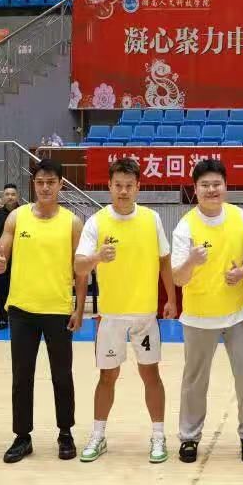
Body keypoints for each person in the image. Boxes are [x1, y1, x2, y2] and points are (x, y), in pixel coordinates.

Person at [73, 157, 177, 464]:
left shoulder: (151, 219)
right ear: (109, 186)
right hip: (111, 317)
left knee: (151, 374)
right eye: (117, 185)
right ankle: (98, 435)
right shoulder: (96, 222)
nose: (123, 191)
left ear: (138, 187)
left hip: (145, 315)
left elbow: (164, 261)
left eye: (129, 186)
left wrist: (171, 299)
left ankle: (158, 436)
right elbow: (79, 266)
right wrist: (96, 257)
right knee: (107, 376)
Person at [171, 159, 243, 465]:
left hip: (238, 313)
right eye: (205, 185)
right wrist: (191, 261)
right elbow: (178, 278)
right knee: (195, 382)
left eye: (216, 184)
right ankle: (189, 437)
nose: (211, 190)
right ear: (195, 189)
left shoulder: (240, 217)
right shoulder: (185, 226)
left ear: (225, 186)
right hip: (198, 316)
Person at [0, 159, 85, 463]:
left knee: (62, 375)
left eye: (51, 182)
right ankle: (22, 437)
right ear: (34, 184)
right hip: (22, 310)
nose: (45, 187)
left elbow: (81, 270)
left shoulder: (72, 222)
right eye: (40, 182)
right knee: (22, 376)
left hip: (58, 310)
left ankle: (65, 433)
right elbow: (0, 255)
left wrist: (79, 308)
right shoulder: (17, 217)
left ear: (60, 185)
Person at [0, 183, 21, 330]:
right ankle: (3, 318)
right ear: (3, 196)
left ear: (17, 196)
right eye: (7, 194)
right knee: (2, 289)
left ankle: (19, 318)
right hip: (2, 259)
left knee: (19, 288)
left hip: (21, 259)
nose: (10, 197)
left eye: (13, 194)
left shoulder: (24, 213)